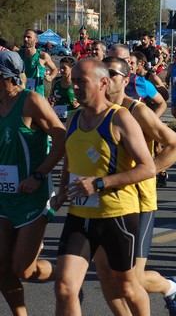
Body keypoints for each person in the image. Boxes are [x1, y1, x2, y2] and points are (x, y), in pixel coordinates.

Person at [53, 58, 156, 315]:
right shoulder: (74, 118)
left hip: (117, 215)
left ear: (103, 83)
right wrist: (62, 189)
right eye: (73, 80)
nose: (74, 86)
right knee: (65, 286)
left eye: (81, 81)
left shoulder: (120, 118)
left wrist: (99, 183)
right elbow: (70, 158)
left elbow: (147, 167)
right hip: (80, 215)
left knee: (127, 287)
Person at [93, 56, 176, 315]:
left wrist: (145, 172)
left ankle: (171, 288)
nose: (106, 77)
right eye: (103, 72)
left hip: (139, 201)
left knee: (131, 279)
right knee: (106, 274)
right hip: (104, 201)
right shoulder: (95, 110)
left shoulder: (137, 111)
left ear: (125, 79)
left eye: (112, 73)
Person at [0, 51, 65, 315]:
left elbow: (61, 139)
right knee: (1, 267)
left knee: (21, 269)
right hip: (4, 196)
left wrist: (38, 175)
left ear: (6, 77)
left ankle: (67, 276)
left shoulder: (31, 101)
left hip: (32, 195)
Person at [19, 29, 58, 96]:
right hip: (21, 94)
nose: (25, 39)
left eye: (29, 37)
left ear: (36, 40)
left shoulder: (42, 56)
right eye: (24, 37)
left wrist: (50, 77)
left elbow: (54, 69)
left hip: (37, 95)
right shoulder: (19, 54)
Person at [49, 57, 79, 121]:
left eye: (64, 68)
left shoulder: (77, 82)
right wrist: (51, 99)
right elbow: (51, 95)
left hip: (72, 116)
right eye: (61, 68)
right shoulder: (56, 80)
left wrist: (77, 103)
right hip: (57, 116)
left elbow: (86, 98)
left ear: (72, 68)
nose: (61, 70)